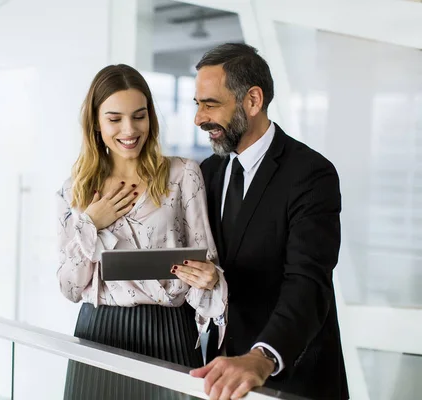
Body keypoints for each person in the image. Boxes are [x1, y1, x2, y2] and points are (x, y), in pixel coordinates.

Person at [185, 43, 349, 400]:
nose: (199, 118)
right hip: (219, 379)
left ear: (253, 101)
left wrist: (262, 357)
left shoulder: (311, 174)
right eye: (197, 105)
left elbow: (308, 283)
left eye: (210, 104)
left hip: (291, 378)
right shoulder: (206, 173)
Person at [56, 64, 228, 399]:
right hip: (99, 332)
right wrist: (91, 223)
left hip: (171, 332)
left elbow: (207, 264)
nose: (129, 129)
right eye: (114, 118)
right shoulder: (73, 191)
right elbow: (69, 287)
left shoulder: (183, 175)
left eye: (139, 115)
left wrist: (210, 278)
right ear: (95, 123)